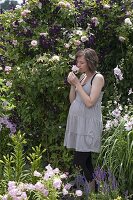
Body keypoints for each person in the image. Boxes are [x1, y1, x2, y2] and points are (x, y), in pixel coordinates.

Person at [64, 48, 105, 192]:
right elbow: (73, 100)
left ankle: (89, 188)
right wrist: (73, 85)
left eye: (82, 62)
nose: (78, 65)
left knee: (79, 161)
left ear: (90, 62)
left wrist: (77, 84)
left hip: (89, 125)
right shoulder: (82, 77)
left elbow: (89, 102)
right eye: (77, 62)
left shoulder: (97, 78)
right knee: (86, 161)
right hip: (79, 124)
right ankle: (94, 192)